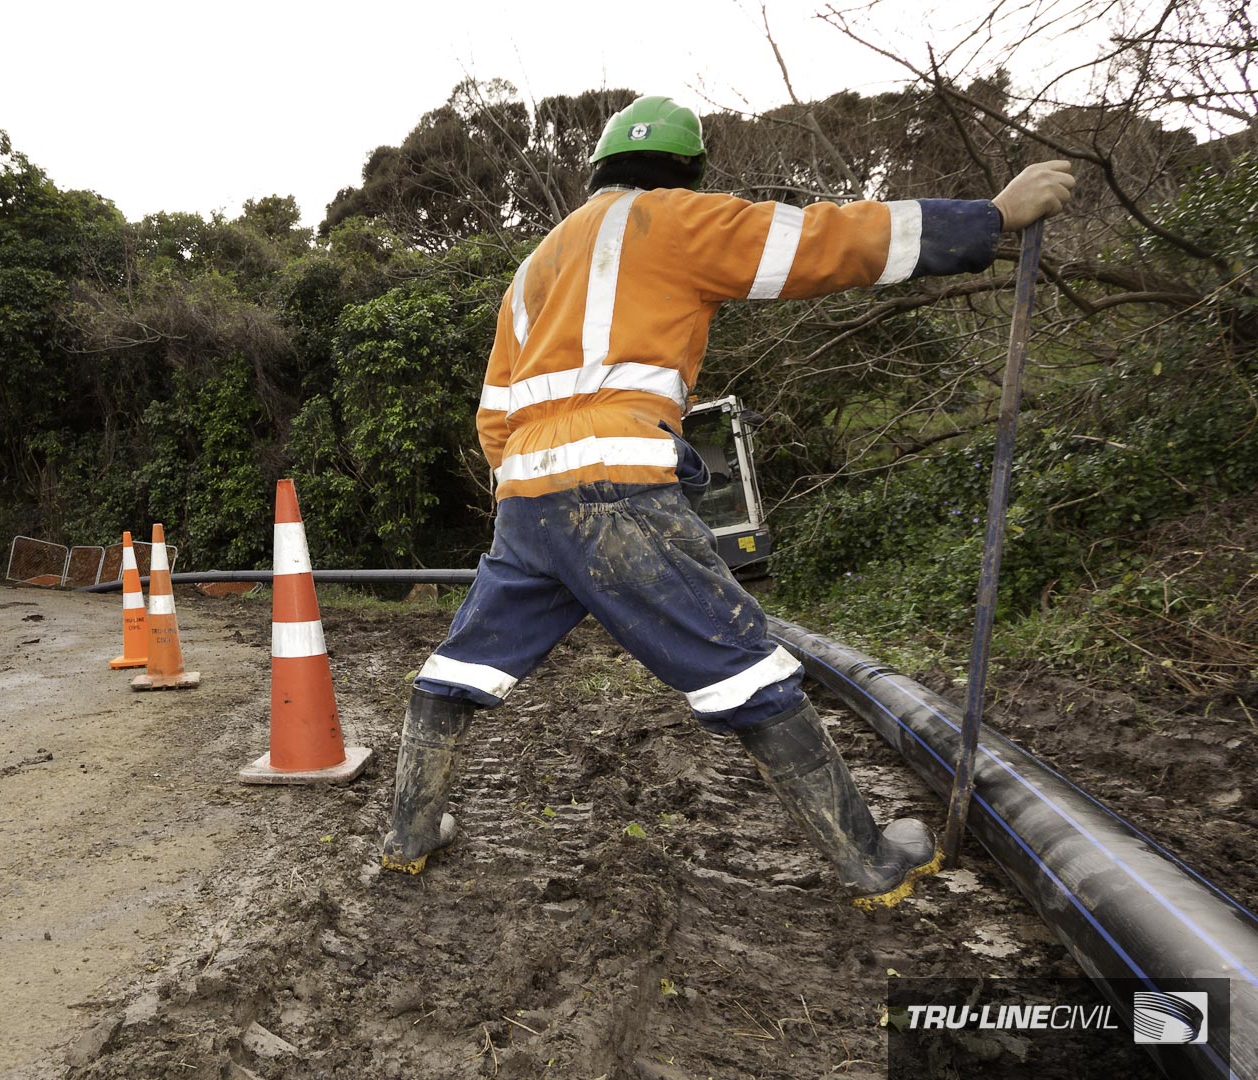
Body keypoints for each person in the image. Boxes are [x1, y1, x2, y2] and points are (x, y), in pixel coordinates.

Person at [379, 96, 1075, 910]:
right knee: (743, 665)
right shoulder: (675, 220)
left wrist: (530, 490)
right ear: (686, 172)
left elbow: (496, 408)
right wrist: (988, 218)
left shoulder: (535, 265)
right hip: (618, 489)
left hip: (529, 497)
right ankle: (873, 865)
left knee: (461, 668)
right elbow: (824, 241)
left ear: (598, 168)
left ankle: (409, 836)